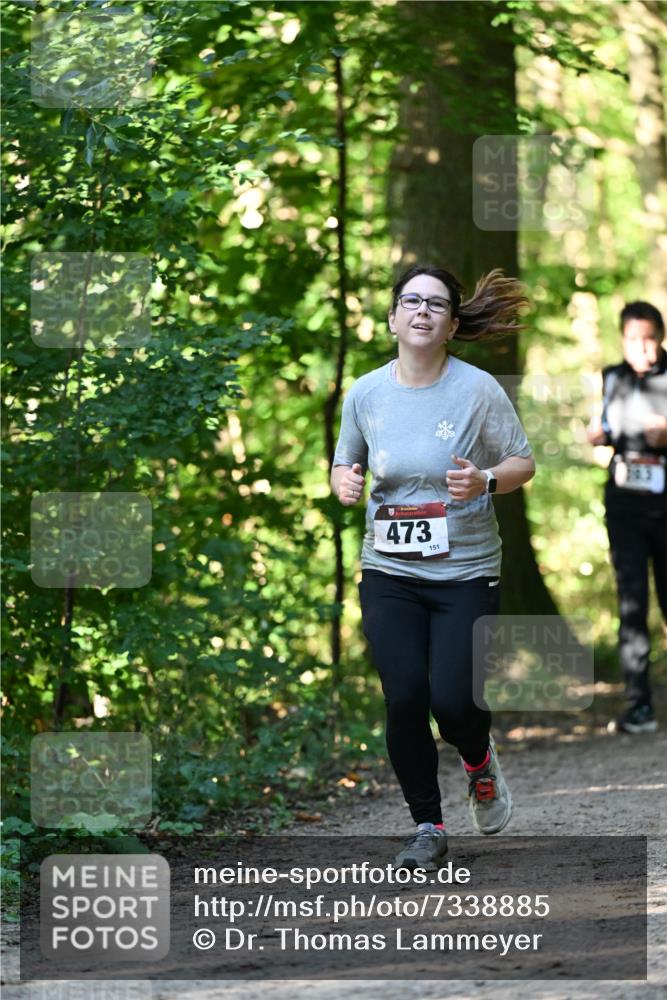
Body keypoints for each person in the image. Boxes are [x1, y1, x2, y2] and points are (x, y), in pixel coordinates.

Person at [331, 264, 535, 870]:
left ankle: (478, 761)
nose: (422, 311)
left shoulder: (476, 390)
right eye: (411, 301)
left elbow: (521, 463)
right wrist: (343, 479)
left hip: (467, 571)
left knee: (452, 700)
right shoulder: (366, 392)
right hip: (389, 570)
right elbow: (346, 461)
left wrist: (486, 480)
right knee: (404, 696)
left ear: (449, 325)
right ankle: (427, 824)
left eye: (436, 305)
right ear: (393, 317)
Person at [588, 301, 667, 734]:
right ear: (623, 340)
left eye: (650, 338)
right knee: (632, 604)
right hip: (624, 505)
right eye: (634, 340)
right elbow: (603, 425)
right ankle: (640, 706)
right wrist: (597, 433)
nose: (643, 348)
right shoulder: (612, 377)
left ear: (661, 336)